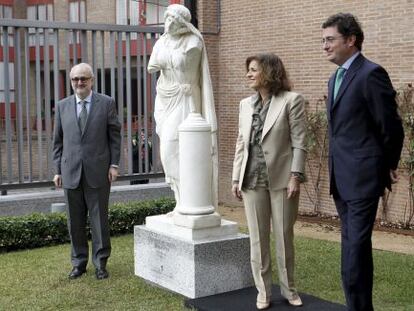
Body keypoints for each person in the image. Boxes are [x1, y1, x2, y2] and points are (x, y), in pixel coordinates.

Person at [322, 13, 404, 311]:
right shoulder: (335, 78)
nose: (324, 46)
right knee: (354, 249)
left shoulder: (371, 74)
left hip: (363, 178)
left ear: (351, 39)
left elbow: (391, 126)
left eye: (330, 39)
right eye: (324, 41)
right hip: (341, 178)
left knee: (354, 251)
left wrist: (388, 165)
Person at [232, 53, 307, 309]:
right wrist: (235, 177)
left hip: (283, 181)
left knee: (284, 237)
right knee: (257, 239)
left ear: (269, 72)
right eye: (248, 70)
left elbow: (299, 142)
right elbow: (241, 143)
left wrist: (296, 175)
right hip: (251, 180)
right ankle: (263, 291)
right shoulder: (245, 104)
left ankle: (289, 290)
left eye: (254, 70)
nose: (249, 74)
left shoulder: (291, 101)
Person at [53, 63, 121, 280]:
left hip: (99, 171)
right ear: (71, 81)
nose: (79, 83)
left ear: (92, 80)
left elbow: (115, 137)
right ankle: (79, 264)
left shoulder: (107, 103)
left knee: (99, 220)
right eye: (75, 79)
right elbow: (58, 142)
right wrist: (57, 170)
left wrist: (114, 165)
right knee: (74, 221)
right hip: (70, 171)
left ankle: (101, 263)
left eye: (83, 78)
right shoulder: (62, 106)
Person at [147, 4, 218, 211]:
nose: (168, 23)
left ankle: (191, 199)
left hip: (185, 98)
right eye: (166, 19)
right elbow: (152, 66)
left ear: (181, 22)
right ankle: (180, 200)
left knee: (173, 149)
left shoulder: (193, 42)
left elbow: (185, 69)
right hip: (164, 98)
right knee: (168, 150)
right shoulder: (162, 42)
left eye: (172, 20)